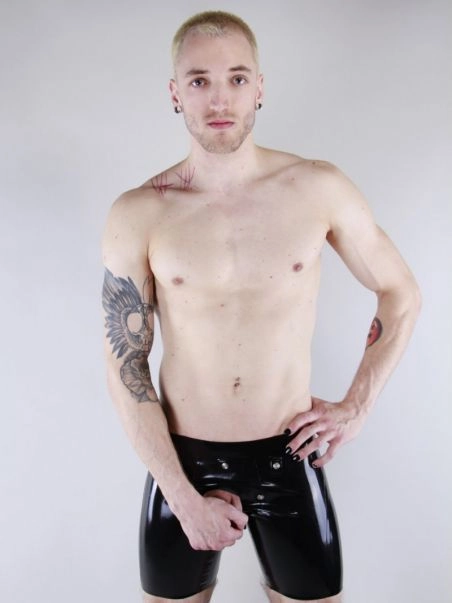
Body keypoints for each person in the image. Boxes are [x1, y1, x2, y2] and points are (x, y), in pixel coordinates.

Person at [101, 10, 421, 603]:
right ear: (175, 93)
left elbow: (401, 291)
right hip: (183, 461)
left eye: (237, 78)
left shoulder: (317, 187)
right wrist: (181, 497)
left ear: (260, 87)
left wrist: (356, 406)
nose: (220, 98)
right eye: (199, 80)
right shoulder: (139, 213)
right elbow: (126, 369)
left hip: (288, 453)